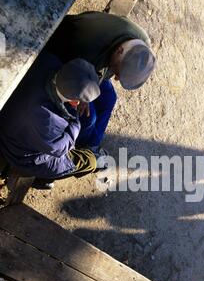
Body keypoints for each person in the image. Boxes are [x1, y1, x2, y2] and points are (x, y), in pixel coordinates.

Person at [0, 52, 108, 188]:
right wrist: (75, 119)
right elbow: (62, 148)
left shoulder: (47, 61)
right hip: (19, 153)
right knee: (79, 162)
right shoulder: (48, 121)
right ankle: (94, 160)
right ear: (75, 102)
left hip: (14, 122)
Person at [46, 11, 156, 137]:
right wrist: (83, 97)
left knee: (110, 97)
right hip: (65, 62)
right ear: (120, 51)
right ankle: (84, 144)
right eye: (116, 70)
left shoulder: (140, 40)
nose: (116, 78)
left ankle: (93, 144)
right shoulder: (89, 49)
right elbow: (71, 76)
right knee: (88, 119)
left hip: (91, 67)